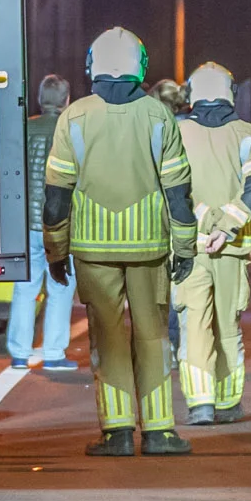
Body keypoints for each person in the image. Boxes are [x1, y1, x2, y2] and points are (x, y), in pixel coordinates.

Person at [43, 27, 198, 456]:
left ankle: (117, 432)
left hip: (92, 249)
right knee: (151, 336)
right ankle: (160, 431)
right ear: (139, 65)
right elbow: (178, 192)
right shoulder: (158, 115)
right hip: (149, 246)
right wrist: (184, 247)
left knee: (107, 336)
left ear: (92, 64)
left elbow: (56, 194)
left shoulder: (73, 117)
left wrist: (56, 251)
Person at [176, 61, 251, 424]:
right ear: (230, 93)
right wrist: (227, 225)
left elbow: (172, 186)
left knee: (194, 324)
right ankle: (228, 403)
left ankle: (199, 403)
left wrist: (202, 217)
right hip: (231, 248)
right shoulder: (249, 134)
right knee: (227, 326)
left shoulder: (177, 131)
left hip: (189, 246)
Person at [4, 74, 80, 374]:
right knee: (60, 287)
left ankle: (20, 354)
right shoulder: (71, 132)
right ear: (66, 100)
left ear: (39, 99)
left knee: (25, 288)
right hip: (60, 222)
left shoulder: (25, 129)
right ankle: (53, 353)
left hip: (26, 223)